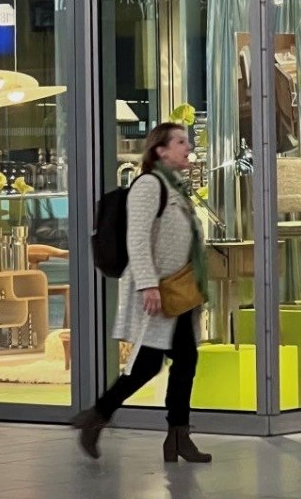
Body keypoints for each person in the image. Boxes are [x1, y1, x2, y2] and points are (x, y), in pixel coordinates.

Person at [72, 122, 210, 464]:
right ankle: (101, 416)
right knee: (154, 364)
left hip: (178, 288)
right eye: (180, 142)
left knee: (178, 361)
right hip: (159, 291)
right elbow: (137, 238)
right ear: (160, 150)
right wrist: (148, 284)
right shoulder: (149, 185)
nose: (188, 147)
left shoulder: (174, 186)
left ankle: (174, 436)